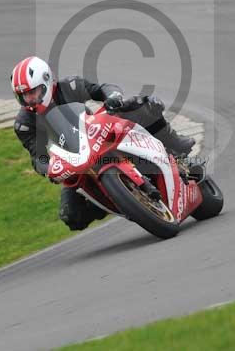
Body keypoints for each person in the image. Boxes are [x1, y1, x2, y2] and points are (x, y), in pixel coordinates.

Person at [10, 56, 196, 231]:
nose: (30, 99)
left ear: (47, 81)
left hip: (97, 132)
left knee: (141, 104)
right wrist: (48, 168)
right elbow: (37, 155)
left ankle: (175, 145)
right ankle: (116, 199)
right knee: (70, 215)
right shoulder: (24, 124)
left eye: (33, 92)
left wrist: (113, 96)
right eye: (24, 96)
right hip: (73, 162)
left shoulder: (70, 85)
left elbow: (102, 89)